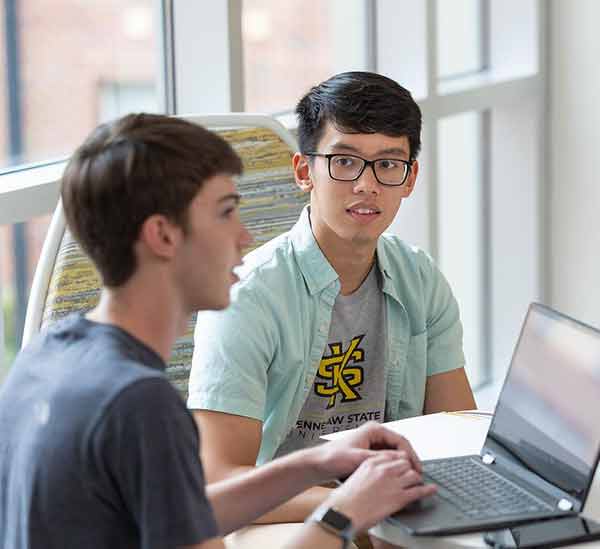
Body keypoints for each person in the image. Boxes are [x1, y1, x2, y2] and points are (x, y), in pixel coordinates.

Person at [0, 113, 435, 549]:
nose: (244, 236)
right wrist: (343, 514)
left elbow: (183, 512)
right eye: (226, 212)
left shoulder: (48, 355)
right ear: (163, 236)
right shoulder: (139, 403)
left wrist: (315, 463)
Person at [188, 72, 476, 530]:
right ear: (305, 171)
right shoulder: (248, 297)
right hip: (275, 521)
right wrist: (353, 502)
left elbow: (453, 434)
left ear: (410, 177)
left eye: (388, 164)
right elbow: (218, 484)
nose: (366, 185)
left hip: (392, 512)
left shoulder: (421, 279)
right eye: (344, 161)